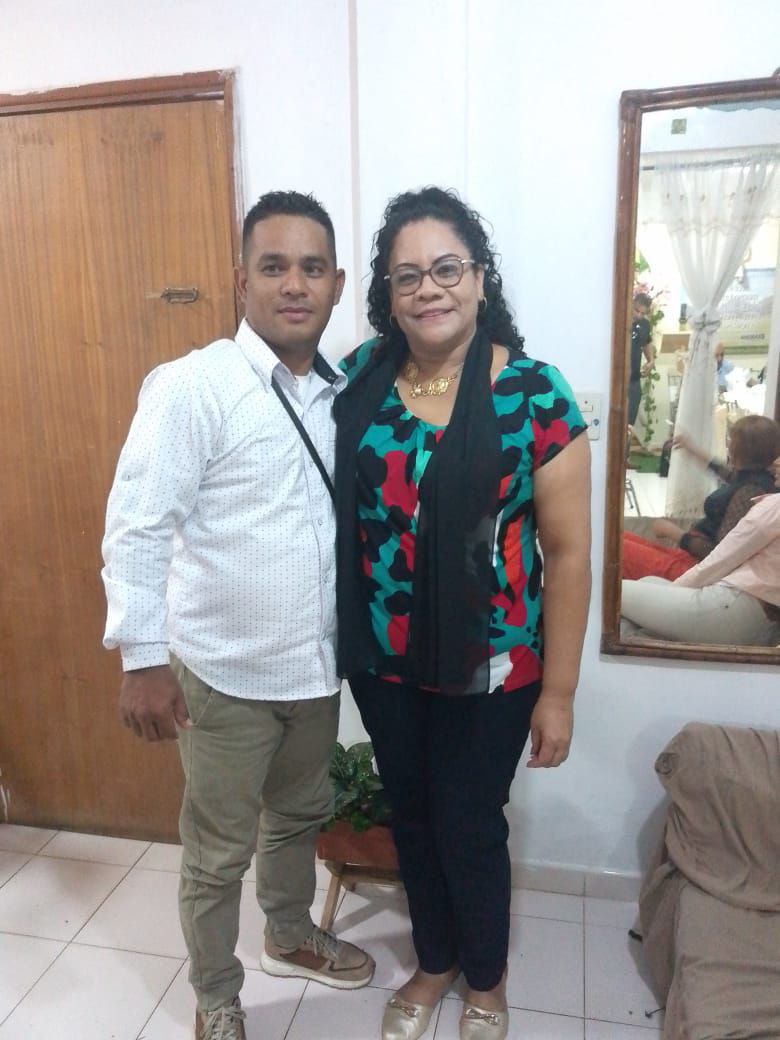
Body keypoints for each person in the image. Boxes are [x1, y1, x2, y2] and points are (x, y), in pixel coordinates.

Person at [102, 191, 374, 1040]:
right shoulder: (195, 386)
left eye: (312, 268)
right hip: (221, 677)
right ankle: (217, 994)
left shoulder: (343, 394)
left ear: (336, 286)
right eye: (274, 266)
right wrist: (142, 658)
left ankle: (288, 934)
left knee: (297, 819)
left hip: (312, 669)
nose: (294, 284)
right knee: (217, 853)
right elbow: (138, 525)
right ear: (240, 280)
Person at [334, 187, 591, 1040]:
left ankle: (486, 979)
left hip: (494, 668)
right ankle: (435, 960)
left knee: (468, 824)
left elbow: (570, 555)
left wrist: (559, 694)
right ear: (388, 292)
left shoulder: (533, 393)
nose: (428, 289)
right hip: (384, 659)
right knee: (411, 817)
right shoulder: (362, 377)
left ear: (481, 279)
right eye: (407, 275)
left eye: (447, 268)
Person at [621, 454, 780, 645]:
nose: (776, 461)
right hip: (758, 620)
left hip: (733, 607)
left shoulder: (773, 506)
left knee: (611, 593)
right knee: (646, 584)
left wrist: (673, 592)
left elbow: (721, 561)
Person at [622, 415, 780, 581]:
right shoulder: (756, 478)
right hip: (691, 558)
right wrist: (691, 448)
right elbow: (723, 471)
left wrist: (673, 532)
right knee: (617, 538)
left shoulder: (750, 491)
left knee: (616, 547)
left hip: (694, 569)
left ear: (739, 449)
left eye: (731, 441)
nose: (728, 445)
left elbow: (719, 554)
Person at [627, 291, 654, 429]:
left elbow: (647, 342)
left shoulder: (644, 324)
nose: (638, 315)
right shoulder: (620, 320)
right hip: (618, 379)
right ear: (631, 304)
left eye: (642, 313)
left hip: (634, 380)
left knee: (629, 422)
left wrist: (651, 361)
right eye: (636, 310)